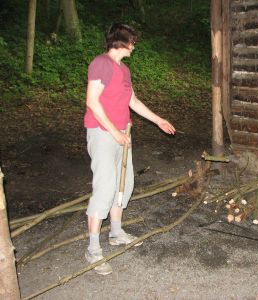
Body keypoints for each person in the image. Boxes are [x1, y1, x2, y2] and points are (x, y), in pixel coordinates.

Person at [84, 23, 175, 275]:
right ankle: (93, 250)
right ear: (121, 42)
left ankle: (115, 232)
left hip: (123, 133)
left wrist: (158, 120)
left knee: (125, 183)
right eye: (132, 41)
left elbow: (132, 101)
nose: (134, 46)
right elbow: (92, 102)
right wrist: (114, 131)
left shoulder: (124, 70)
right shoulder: (101, 63)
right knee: (105, 187)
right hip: (103, 133)